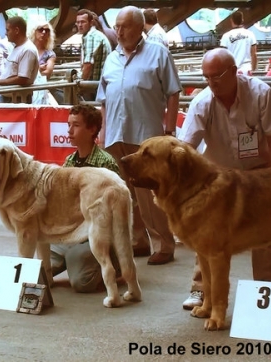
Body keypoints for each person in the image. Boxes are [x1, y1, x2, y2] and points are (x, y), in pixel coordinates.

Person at [178, 48, 271, 310]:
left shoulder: (261, 93)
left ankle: (268, 286)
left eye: (216, 76)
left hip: (258, 173)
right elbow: (186, 149)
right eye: (206, 77)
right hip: (217, 178)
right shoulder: (201, 103)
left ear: (234, 71)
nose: (211, 82)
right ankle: (201, 289)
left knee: (268, 230)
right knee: (206, 234)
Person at [97, 6, 181, 265]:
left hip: (147, 138)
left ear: (139, 27)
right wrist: (101, 133)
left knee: (150, 195)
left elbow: (173, 92)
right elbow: (103, 100)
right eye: (117, 27)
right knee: (124, 193)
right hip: (115, 136)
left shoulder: (158, 53)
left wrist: (169, 130)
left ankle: (164, 244)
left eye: (125, 26)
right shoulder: (111, 58)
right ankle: (138, 241)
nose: (119, 32)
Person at [50, 105, 121, 292]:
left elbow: (113, 210)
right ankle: (73, 257)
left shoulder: (106, 163)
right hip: (71, 232)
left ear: (91, 129)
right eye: (68, 125)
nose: (69, 130)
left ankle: (115, 262)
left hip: (97, 234)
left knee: (81, 283)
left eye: (76, 125)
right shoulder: (69, 162)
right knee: (37, 270)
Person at [0, 16, 39, 103]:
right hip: (10, 97)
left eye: (8, 30)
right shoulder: (18, 47)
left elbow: (23, 78)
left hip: (17, 100)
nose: (6, 33)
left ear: (17, 30)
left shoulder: (28, 49)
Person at [76, 9, 111, 82]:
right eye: (78, 22)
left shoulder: (91, 36)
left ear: (91, 23)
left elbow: (88, 64)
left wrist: (81, 83)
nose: (79, 25)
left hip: (96, 85)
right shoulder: (94, 35)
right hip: (102, 82)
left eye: (83, 22)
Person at [219, 11, 256, 75]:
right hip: (247, 69)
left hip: (231, 70)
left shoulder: (226, 36)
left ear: (231, 21)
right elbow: (254, 54)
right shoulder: (250, 34)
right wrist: (253, 70)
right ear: (242, 20)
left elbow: (222, 56)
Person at [29, 20, 57, 105]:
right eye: (40, 29)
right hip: (24, 89)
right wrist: (38, 68)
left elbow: (47, 72)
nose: (44, 32)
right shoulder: (27, 49)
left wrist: (32, 70)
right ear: (34, 31)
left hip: (41, 90)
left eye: (47, 30)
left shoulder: (50, 54)